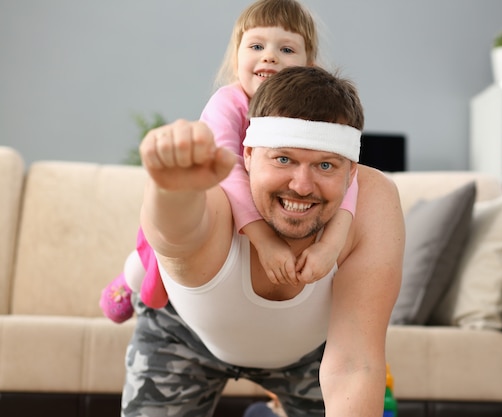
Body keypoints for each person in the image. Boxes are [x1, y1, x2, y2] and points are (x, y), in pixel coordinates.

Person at [121, 66, 404, 417]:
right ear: (249, 156)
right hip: (182, 335)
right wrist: (170, 187)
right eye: (283, 159)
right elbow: (173, 235)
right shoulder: (218, 197)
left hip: (310, 354)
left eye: (326, 166)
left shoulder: (373, 203)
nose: (302, 185)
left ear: (352, 172)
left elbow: (354, 365)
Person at [99, 0, 359, 323]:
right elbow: (229, 171)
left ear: (310, 66)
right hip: (220, 200)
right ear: (237, 59)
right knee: (156, 253)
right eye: (257, 45)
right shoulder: (227, 103)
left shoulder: (316, 112)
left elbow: (347, 175)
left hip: (269, 201)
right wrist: (264, 241)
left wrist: (330, 247)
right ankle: (130, 281)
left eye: (287, 50)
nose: (270, 56)